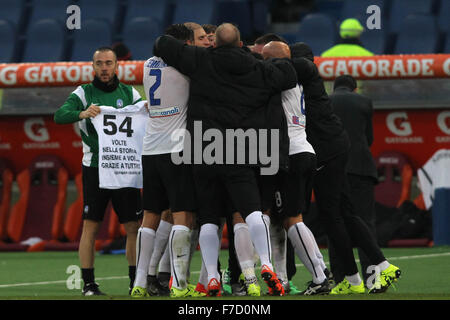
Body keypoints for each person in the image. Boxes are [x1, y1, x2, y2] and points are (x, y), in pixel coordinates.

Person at [154, 22, 298, 296]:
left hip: (202, 148)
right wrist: (260, 57)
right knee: (251, 211)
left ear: (215, 43)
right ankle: (265, 264)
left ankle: (211, 278)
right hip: (239, 149)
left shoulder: (200, 59)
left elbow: (162, 42)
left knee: (208, 218)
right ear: (241, 43)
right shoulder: (257, 67)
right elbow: (288, 74)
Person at [290, 42, 401, 294]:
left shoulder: (303, 85)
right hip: (349, 158)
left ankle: (356, 275)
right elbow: (369, 138)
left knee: (333, 217)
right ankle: (368, 273)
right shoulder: (359, 100)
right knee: (348, 215)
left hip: (325, 154)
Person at [54, 47, 142, 296]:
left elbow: (144, 119)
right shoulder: (84, 92)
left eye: (109, 63)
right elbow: (59, 115)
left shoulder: (129, 93)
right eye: (99, 63)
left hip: (125, 166)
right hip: (95, 167)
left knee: (133, 227)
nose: (104, 68)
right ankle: (89, 284)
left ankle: (135, 282)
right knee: (91, 226)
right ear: (93, 67)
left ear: (117, 66)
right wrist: (81, 113)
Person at [130, 24, 201, 299]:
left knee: (151, 215)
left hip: (150, 148)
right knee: (183, 214)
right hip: (176, 147)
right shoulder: (186, 65)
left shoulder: (148, 64)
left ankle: (139, 282)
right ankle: (179, 285)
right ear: (182, 45)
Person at [261, 41, 331, 295]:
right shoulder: (295, 79)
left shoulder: (280, 78)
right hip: (303, 151)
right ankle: (285, 279)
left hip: (290, 154)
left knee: (292, 219)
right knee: (282, 218)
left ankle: (320, 276)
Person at [329, 75, 378, 286]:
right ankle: (373, 279)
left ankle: (342, 279)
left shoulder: (325, 101)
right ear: (354, 89)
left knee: (336, 222)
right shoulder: (364, 102)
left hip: (334, 170)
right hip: (361, 168)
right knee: (364, 222)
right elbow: (369, 138)